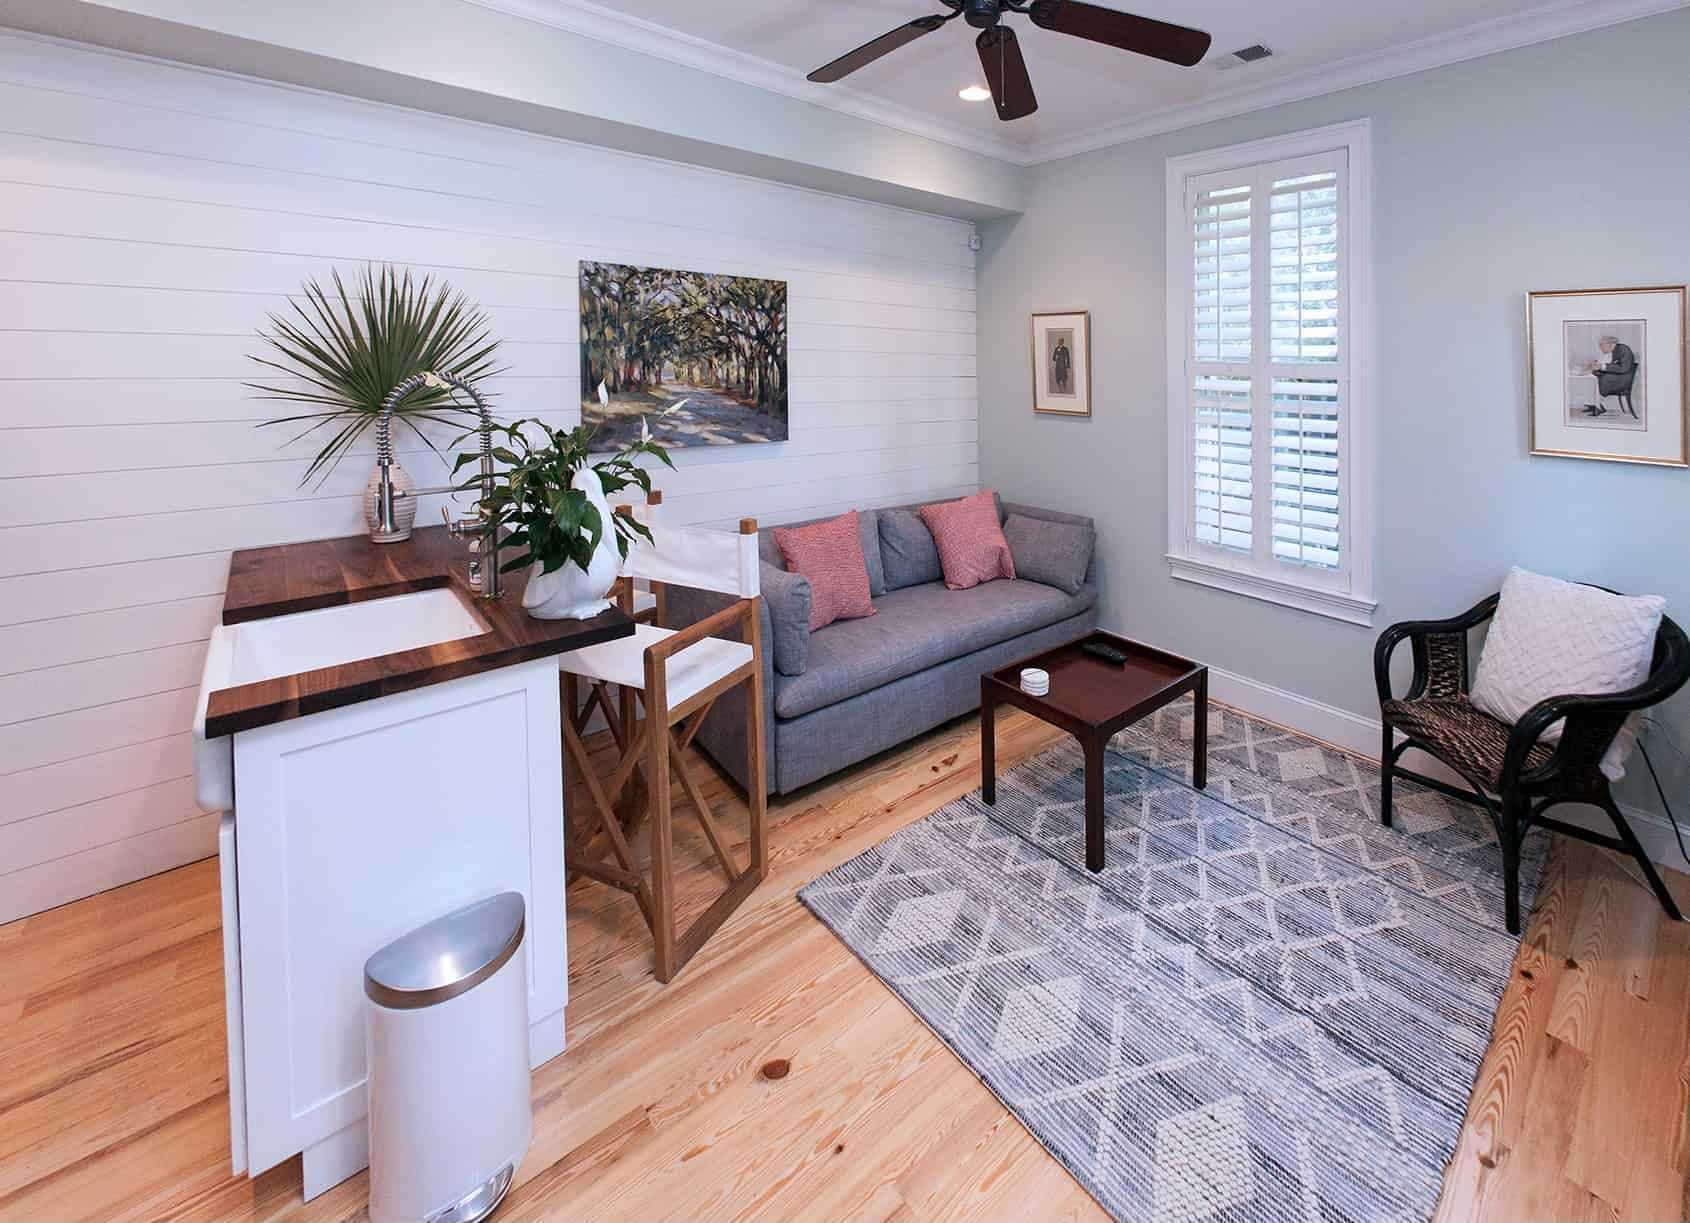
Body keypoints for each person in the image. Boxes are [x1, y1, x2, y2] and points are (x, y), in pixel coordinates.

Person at [1582, 334, 1638, 417]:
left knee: (1596, 381)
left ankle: (1598, 407)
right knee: (1590, 380)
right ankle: (1594, 405)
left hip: (1622, 381)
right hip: (1617, 378)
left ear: (1610, 344)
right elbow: (1609, 366)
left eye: (1601, 345)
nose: (1600, 348)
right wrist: (1594, 368)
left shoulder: (1624, 349)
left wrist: (1601, 367)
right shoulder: (1614, 350)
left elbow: (1623, 368)